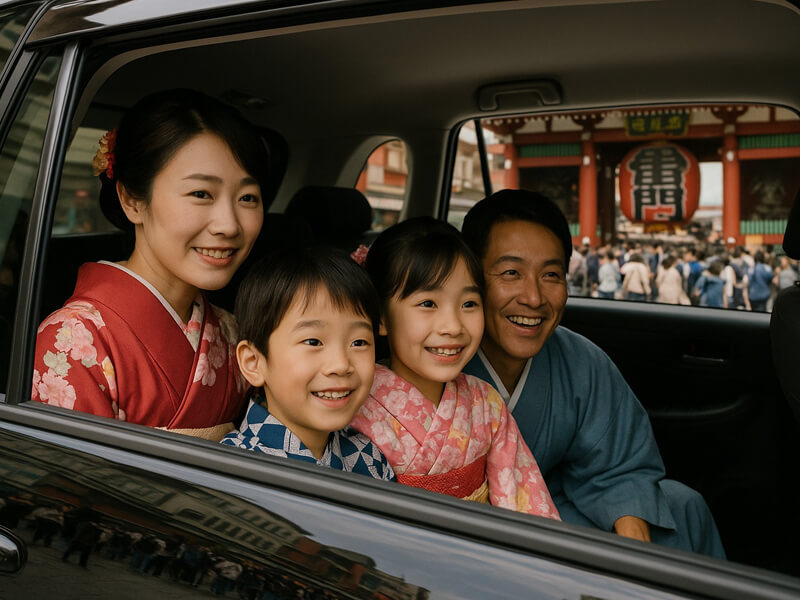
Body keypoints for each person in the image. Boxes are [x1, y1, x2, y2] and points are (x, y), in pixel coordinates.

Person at [461, 189, 725, 558]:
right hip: (466, 527)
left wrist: (635, 556)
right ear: (471, 277)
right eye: (511, 273)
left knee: (684, 506)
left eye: (551, 275)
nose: (534, 298)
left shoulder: (580, 360)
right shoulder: (442, 359)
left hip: (551, 505)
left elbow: (619, 466)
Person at [32, 89, 267, 440]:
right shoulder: (72, 341)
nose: (229, 225)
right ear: (132, 200)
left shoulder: (232, 332)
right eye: (201, 194)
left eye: (247, 197)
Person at [350, 217, 559, 518]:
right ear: (380, 317)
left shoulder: (485, 403)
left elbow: (523, 501)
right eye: (428, 304)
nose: (453, 326)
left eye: (469, 304)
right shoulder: (355, 404)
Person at [221, 247, 395, 481]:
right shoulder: (231, 471)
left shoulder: (368, 457)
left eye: (359, 342)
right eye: (313, 341)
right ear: (254, 362)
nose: (341, 364)